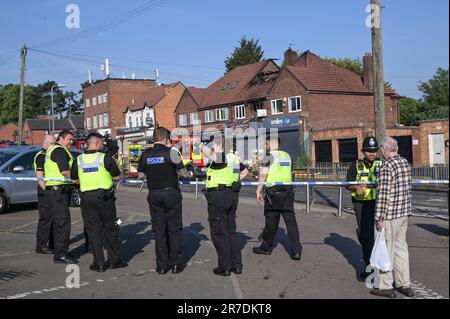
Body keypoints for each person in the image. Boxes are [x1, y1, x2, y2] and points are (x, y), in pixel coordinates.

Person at [71, 133, 127, 272]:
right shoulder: (105, 158)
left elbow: (74, 180)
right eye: (101, 143)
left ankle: (99, 263)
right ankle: (115, 261)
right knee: (110, 229)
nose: (103, 145)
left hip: (87, 199)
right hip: (105, 199)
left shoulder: (78, 160)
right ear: (96, 144)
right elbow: (116, 176)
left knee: (93, 230)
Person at [138, 127, 187, 274]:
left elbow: (140, 176)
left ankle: (161, 266)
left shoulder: (145, 154)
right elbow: (184, 173)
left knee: (159, 230)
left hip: (154, 194)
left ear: (154, 139)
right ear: (166, 139)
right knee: (174, 229)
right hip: (171, 194)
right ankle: (176, 264)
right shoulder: (172, 152)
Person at [370, 137, 414, 298]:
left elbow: (383, 194)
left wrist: (379, 218)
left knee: (385, 250)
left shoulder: (387, 166)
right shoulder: (404, 163)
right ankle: (404, 284)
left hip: (389, 215)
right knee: (401, 248)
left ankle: (385, 286)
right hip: (403, 213)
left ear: (383, 150)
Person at [199, 136, 249, 276]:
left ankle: (224, 267)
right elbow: (245, 172)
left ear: (220, 146)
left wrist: (201, 143)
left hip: (218, 197)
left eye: (214, 146)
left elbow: (204, 150)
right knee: (230, 231)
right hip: (232, 195)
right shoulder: (234, 158)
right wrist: (233, 180)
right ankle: (236, 265)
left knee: (219, 233)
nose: (213, 149)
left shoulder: (220, 158)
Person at [253, 136, 302, 260]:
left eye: (266, 144)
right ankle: (296, 251)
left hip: (273, 193)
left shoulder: (268, 156)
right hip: (288, 191)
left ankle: (266, 247)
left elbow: (263, 174)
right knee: (291, 222)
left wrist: (258, 190)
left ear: (270, 144)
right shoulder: (287, 155)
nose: (265, 146)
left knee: (271, 222)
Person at [346, 136, 382, 278]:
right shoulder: (355, 165)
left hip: (378, 203)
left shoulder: (382, 164)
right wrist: (355, 187)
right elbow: (347, 184)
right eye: (368, 151)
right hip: (361, 205)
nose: (372, 154)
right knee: (365, 236)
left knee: (381, 235)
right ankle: (369, 268)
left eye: (374, 151)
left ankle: (382, 267)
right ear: (363, 152)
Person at [44, 130, 78, 264]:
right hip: (58, 191)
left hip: (55, 191)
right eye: (69, 139)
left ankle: (60, 250)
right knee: (63, 223)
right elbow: (65, 172)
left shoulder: (53, 149)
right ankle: (60, 254)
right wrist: (79, 180)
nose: (71, 142)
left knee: (59, 222)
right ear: (61, 139)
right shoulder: (59, 151)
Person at [34, 135, 55, 254]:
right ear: (45, 143)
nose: (54, 145)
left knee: (53, 218)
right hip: (45, 191)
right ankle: (41, 246)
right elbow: (40, 176)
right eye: (52, 143)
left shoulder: (48, 155)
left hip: (50, 190)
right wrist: (47, 191)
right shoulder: (41, 156)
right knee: (45, 219)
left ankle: (52, 244)